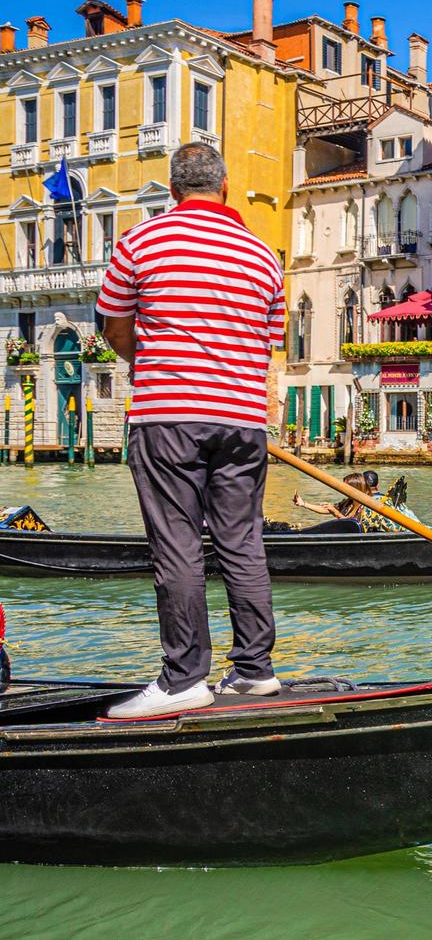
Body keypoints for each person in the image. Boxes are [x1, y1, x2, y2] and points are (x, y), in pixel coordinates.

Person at [97, 143, 285, 718]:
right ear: (225, 187)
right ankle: (255, 670)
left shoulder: (140, 242)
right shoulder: (263, 256)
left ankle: (184, 679)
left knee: (177, 544)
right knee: (242, 539)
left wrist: (145, 359)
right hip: (243, 418)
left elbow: (115, 325)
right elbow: (267, 343)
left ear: (174, 190)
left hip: (169, 416)